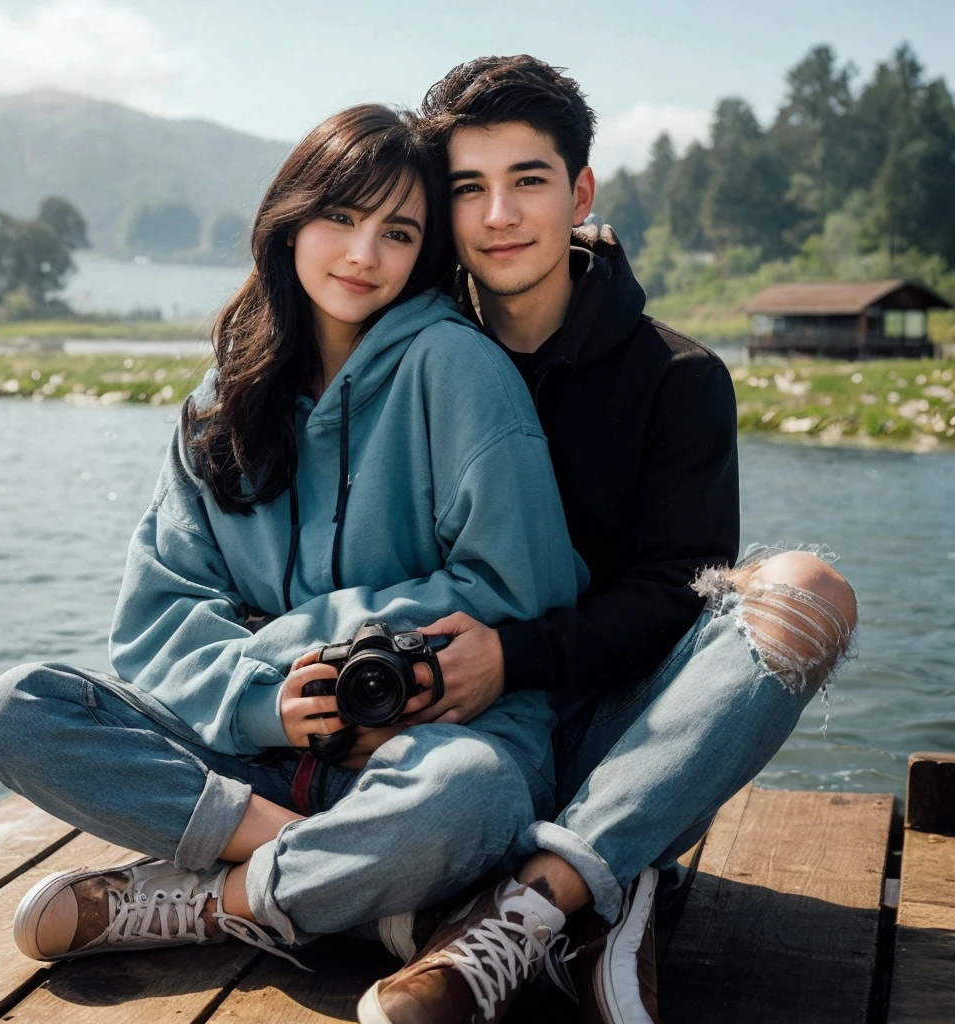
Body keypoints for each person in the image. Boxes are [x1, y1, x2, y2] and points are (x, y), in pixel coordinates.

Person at [0, 103, 585, 966]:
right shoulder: (221, 401)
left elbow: (522, 587)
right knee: (19, 711)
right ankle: (353, 880)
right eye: (340, 216)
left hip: (422, 749)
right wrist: (269, 703)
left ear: (425, 255)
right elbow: (160, 619)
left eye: (399, 232)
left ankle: (217, 901)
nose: (363, 254)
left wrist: (312, 648)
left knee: (475, 795)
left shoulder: (459, 370)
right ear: (289, 219)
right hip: (253, 752)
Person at [358, 57, 859, 1024]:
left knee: (804, 588)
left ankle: (528, 905)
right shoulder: (410, 361)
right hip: (449, 743)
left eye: (528, 181)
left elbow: (677, 592)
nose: (499, 214)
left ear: (579, 192)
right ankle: (606, 886)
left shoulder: (680, 377)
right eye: (468, 188)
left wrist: (514, 656)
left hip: (625, 735)